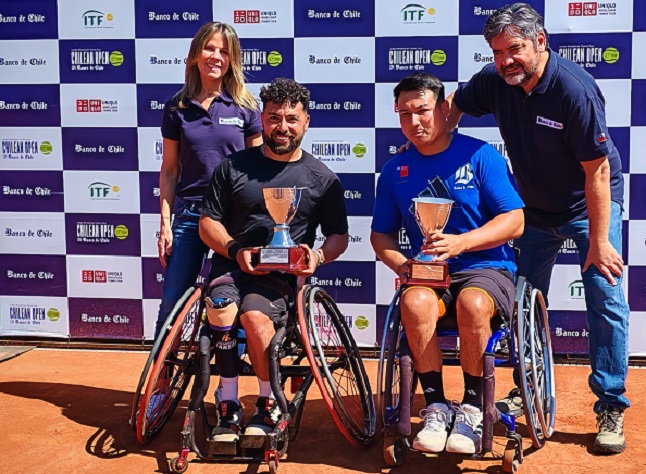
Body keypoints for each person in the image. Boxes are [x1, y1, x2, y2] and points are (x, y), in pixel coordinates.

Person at [446, 3, 630, 454]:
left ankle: (610, 405)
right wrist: (439, 149)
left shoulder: (573, 89)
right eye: (497, 52)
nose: (506, 60)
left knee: (605, 297)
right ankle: (528, 388)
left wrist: (599, 241)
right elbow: (454, 105)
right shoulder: (495, 81)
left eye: (514, 49)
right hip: (533, 210)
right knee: (523, 303)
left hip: (589, 205)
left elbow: (598, 171)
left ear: (540, 41)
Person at [371, 73, 524, 454]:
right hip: (429, 272)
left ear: (443, 109)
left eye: (422, 110)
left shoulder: (481, 155)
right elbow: (381, 236)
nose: (414, 121)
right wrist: (402, 265)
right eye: (404, 114)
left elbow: (515, 221)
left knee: (473, 303)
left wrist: (461, 242)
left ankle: (472, 409)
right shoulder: (394, 170)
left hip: (486, 267)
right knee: (414, 302)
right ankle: (436, 407)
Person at [199, 78, 349, 443]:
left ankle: (267, 402)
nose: (282, 127)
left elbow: (338, 237)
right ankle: (228, 400)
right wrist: (234, 250)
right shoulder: (232, 167)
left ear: (306, 121)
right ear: (262, 120)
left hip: (280, 278)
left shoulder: (322, 179)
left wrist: (317, 256)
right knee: (221, 307)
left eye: (291, 119)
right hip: (232, 266)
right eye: (274, 118)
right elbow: (208, 223)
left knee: (253, 316)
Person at [156, 21, 262, 340]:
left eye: (224, 51)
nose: (216, 56)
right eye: (209, 48)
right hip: (190, 216)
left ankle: (232, 373)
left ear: (232, 60)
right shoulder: (176, 107)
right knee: (172, 305)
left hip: (233, 219)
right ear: (195, 55)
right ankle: (162, 372)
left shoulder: (246, 107)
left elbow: (259, 170)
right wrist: (165, 225)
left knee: (233, 301)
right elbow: (170, 170)